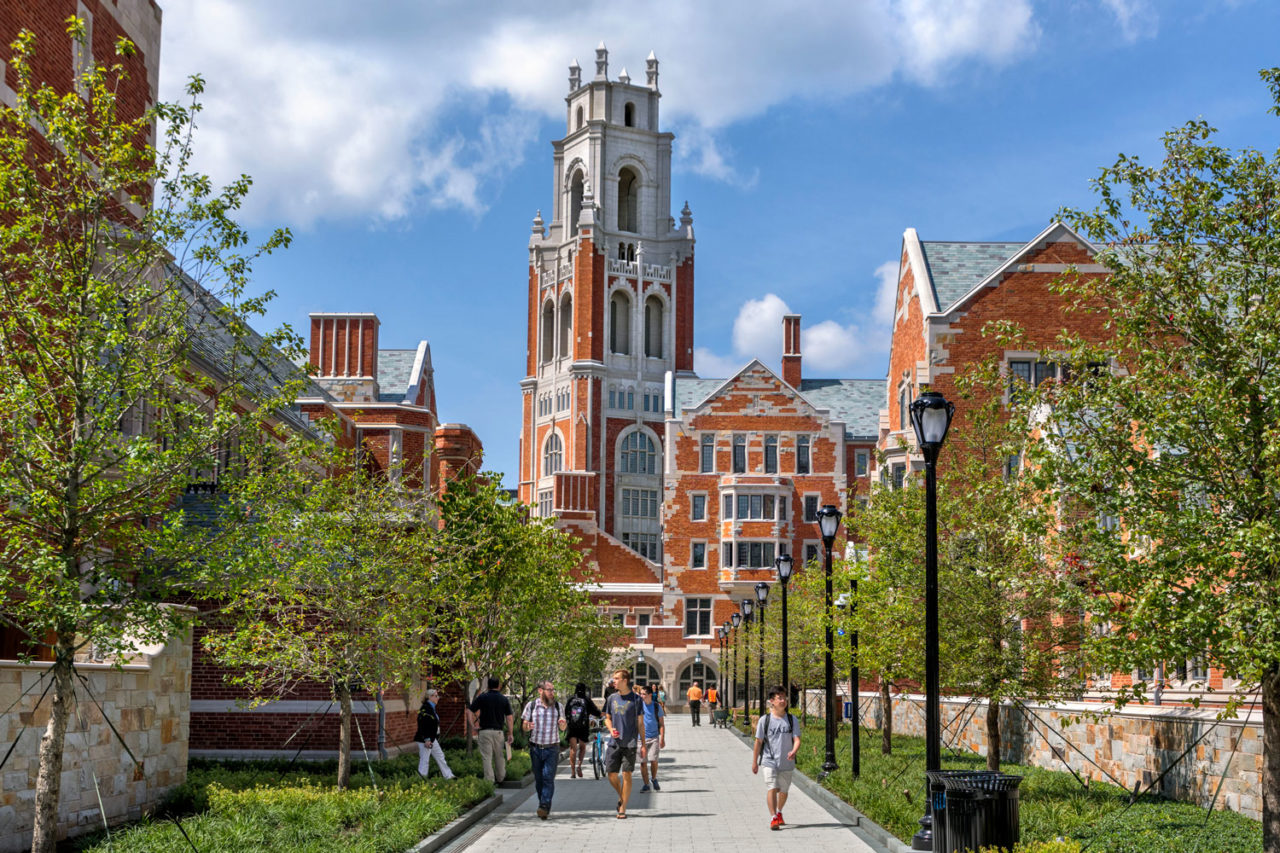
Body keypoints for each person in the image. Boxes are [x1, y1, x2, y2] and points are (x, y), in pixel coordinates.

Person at [752, 684, 802, 830]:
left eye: (784, 698)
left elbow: (797, 739)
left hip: (786, 762)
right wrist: (755, 762)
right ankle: (773, 817)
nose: (783, 701)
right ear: (772, 701)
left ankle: (779, 811)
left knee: (784, 791)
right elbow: (758, 742)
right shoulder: (764, 720)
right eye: (779, 698)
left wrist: (793, 751)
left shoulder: (792, 720)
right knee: (772, 787)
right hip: (769, 760)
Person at [603, 668, 646, 819]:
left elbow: (640, 724)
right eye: (613, 678)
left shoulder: (636, 700)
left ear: (624, 680)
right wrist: (611, 729)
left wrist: (644, 745)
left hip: (630, 743)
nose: (613, 681)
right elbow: (607, 718)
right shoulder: (611, 698)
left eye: (616, 678)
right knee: (611, 774)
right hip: (614, 742)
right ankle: (622, 796)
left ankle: (623, 808)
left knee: (627, 774)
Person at [522, 680, 567, 819]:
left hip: (552, 748)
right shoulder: (532, 705)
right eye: (549, 690)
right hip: (535, 748)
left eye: (553, 690)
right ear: (540, 691)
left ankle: (544, 806)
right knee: (539, 779)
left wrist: (563, 724)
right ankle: (544, 803)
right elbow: (524, 725)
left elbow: (563, 728)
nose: (552, 693)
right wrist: (527, 726)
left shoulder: (559, 707)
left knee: (548, 778)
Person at [467, 677, 514, 784]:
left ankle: (489, 781)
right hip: (498, 732)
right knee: (499, 756)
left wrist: (472, 725)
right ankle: (501, 777)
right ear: (499, 686)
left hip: (484, 731)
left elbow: (469, 711)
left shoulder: (482, 697)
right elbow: (509, 717)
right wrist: (510, 733)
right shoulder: (503, 699)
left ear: (488, 686)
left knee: (486, 757)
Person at [414, 688, 456, 780]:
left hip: (432, 739)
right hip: (425, 739)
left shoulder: (431, 707)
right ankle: (421, 779)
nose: (438, 698)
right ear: (430, 697)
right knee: (424, 759)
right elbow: (423, 725)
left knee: (440, 756)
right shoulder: (425, 708)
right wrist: (427, 739)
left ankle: (449, 776)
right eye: (436, 696)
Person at [564, 682, 601, 778]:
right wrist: (601, 714)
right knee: (582, 747)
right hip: (583, 727)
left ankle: (572, 772)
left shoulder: (571, 700)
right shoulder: (586, 700)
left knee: (573, 749)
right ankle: (579, 766)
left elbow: (566, 712)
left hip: (572, 727)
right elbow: (596, 712)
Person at [637, 684, 666, 793]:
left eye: (644, 694)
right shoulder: (638, 706)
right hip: (640, 739)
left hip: (654, 737)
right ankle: (646, 784)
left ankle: (653, 779)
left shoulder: (656, 706)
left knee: (653, 760)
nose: (641, 696)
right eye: (640, 694)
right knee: (643, 763)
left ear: (650, 695)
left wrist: (662, 738)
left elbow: (662, 724)